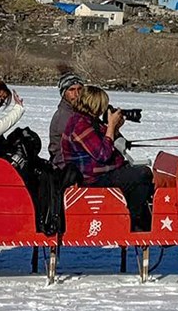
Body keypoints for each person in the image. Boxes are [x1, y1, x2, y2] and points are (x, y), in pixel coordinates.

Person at [61, 86, 154, 232]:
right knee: (142, 174)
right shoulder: (80, 124)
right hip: (91, 179)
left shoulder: (90, 121)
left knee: (141, 175)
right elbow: (103, 154)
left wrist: (115, 129)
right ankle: (135, 222)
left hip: (101, 173)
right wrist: (110, 126)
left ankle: (142, 221)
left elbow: (111, 144)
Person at [49, 72, 85, 168]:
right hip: (66, 167)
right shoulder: (64, 116)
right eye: (71, 90)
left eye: (79, 89)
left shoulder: (80, 112)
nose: (77, 94)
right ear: (64, 93)